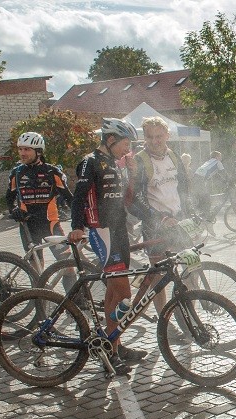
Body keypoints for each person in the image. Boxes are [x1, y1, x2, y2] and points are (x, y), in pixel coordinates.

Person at [69, 118, 144, 375]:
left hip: (119, 229)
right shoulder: (90, 161)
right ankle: (110, 348)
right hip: (102, 231)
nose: (128, 148)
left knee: (114, 293)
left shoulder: (115, 163)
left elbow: (127, 199)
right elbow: (79, 195)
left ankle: (114, 346)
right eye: (126, 143)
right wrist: (77, 225)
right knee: (124, 294)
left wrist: (133, 174)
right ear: (111, 139)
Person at [127, 116, 192, 316]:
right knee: (159, 274)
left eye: (159, 136)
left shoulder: (174, 156)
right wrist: (158, 217)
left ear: (167, 135)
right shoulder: (139, 160)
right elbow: (134, 198)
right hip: (154, 223)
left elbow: (183, 186)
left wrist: (191, 212)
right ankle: (165, 320)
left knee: (190, 267)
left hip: (177, 219)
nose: (155, 141)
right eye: (150, 137)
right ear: (144, 137)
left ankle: (191, 315)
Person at [6, 132, 74, 272]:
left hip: (51, 224)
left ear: (38, 151)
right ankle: (40, 294)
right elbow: (9, 198)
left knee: (67, 266)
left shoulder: (52, 172)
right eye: (20, 149)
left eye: (27, 149)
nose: (22, 153)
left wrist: (80, 221)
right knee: (36, 270)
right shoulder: (16, 173)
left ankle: (75, 294)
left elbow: (69, 198)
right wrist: (14, 210)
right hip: (28, 226)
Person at [192, 151, 227, 223]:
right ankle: (205, 219)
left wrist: (224, 181)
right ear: (217, 157)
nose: (221, 158)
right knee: (207, 199)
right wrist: (229, 181)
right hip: (200, 179)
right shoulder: (217, 162)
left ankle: (202, 213)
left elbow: (217, 175)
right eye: (220, 156)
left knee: (205, 197)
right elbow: (223, 173)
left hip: (196, 177)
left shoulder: (209, 162)